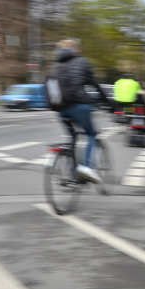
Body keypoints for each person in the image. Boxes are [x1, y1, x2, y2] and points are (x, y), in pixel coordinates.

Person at [50, 38, 110, 183]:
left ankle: (71, 175)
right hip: (79, 106)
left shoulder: (56, 65)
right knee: (91, 134)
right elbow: (95, 85)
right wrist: (107, 102)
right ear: (76, 49)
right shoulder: (83, 62)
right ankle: (86, 167)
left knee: (72, 138)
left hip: (60, 109)